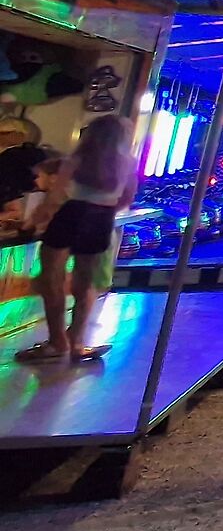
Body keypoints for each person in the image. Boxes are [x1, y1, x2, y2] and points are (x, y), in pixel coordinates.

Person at [19, 118, 136, 363]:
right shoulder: (127, 163)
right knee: (85, 283)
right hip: (101, 219)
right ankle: (77, 343)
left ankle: (56, 342)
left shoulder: (77, 160)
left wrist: (30, 223)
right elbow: (126, 198)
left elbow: (54, 198)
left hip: (71, 215)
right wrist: (105, 209)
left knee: (51, 279)